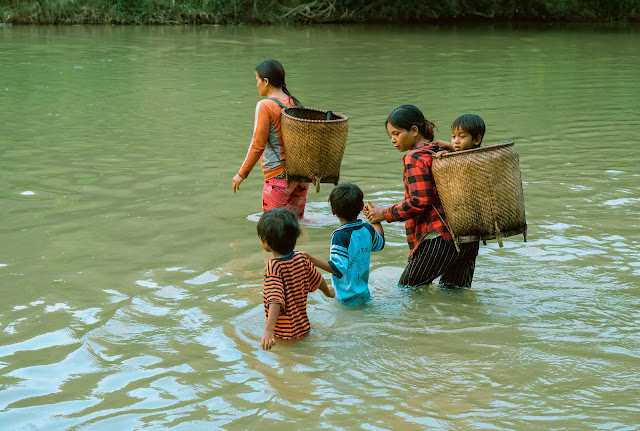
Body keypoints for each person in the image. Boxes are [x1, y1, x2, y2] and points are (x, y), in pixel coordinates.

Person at [364, 105, 480, 289]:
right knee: (455, 295)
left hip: (440, 240)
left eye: (396, 133)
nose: (393, 140)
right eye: (391, 135)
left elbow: (419, 201)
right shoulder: (442, 150)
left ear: (414, 131)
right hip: (468, 238)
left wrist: (384, 214)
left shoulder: (415, 157)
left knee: (407, 291)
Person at [232, 59, 310, 219]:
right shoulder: (294, 102)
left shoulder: (265, 105)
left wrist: (242, 174)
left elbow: (257, 145)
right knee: (297, 225)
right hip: (301, 176)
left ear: (265, 81)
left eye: (257, 80)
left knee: (274, 228)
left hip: (279, 178)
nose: (257, 84)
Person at [257, 208, 335, 350]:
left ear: (266, 243)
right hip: (304, 329)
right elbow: (318, 279)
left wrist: (268, 331)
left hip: (284, 336)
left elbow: (275, 300)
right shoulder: (301, 258)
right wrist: (328, 292)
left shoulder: (273, 267)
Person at [303, 183, 385, 306]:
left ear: (332, 211)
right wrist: (375, 219)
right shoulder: (367, 229)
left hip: (345, 299)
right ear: (362, 206)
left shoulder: (340, 236)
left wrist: (310, 259)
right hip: (364, 294)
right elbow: (380, 243)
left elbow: (337, 268)